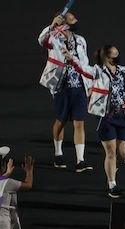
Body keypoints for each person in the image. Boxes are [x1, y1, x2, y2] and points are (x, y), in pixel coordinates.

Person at [62, 44, 125, 198]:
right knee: (110, 153)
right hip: (106, 117)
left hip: (124, 116)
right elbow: (84, 69)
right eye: (115, 54)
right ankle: (112, 185)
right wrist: (71, 58)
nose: (118, 56)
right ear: (107, 57)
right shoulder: (98, 71)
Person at [37, 12, 93, 172]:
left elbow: (85, 62)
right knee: (61, 120)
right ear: (63, 22)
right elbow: (41, 40)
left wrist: (89, 84)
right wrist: (51, 25)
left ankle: (80, 161)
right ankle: (58, 153)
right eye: (72, 18)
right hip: (61, 85)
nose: (76, 19)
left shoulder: (80, 40)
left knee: (79, 122)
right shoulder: (53, 37)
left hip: (79, 86)